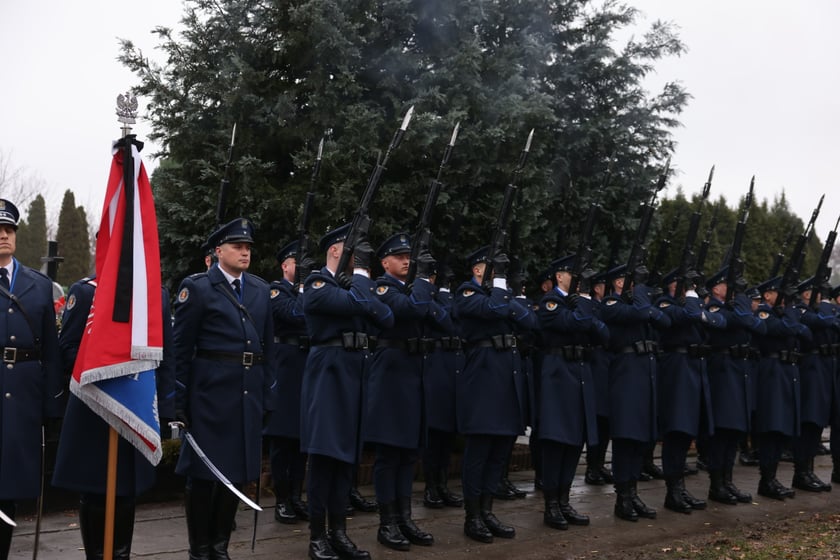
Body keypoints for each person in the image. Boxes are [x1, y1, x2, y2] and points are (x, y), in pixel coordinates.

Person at [173, 218, 276, 560]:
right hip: (210, 395)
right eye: (237, 246)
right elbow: (181, 349)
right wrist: (179, 401)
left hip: (247, 392)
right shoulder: (199, 287)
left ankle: (220, 548)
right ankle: (199, 550)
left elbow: (269, 348)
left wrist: (269, 394)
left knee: (235, 474)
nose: (245, 252)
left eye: (248, 247)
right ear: (218, 252)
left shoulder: (260, 290)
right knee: (204, 476)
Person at [52, 276, 175, 559]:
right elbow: (68, 349)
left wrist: (167, 409)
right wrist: (109, 369)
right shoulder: (86, 293)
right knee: (95, 490)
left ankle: (121, 554)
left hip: (136, 407)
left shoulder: (155, 296)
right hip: (94, 407)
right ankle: (96, 555)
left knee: (127, 490)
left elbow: (166, 357)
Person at [300, 224, 393, 560]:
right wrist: (363, 277)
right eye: (352, 250)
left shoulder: (351, 286)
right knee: (324, 457)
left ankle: (339, 532)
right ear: (335, 251)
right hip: (329, 373)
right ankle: (317, 537)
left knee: (347, 459)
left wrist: (359, 288)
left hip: (355, 373)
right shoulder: (316, 283)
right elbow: (361, 303)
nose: (359, 257)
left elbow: (386, 316)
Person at [366, 233, 450, 551]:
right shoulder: (381, 288)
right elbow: (414, 310)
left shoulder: (415, 291)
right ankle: (387, 522)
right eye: (399, 257)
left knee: (409, 454)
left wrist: (424, 289)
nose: (406, 261)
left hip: (415, 377)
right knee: (390, 455)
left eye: (408, 257)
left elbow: (445, 321)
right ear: (385, 262)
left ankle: (405, 517)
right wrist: (423, 284)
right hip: (392, 378)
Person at [455, 247, 537, 543]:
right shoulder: (467, 293)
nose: (499, 271)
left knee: (500, 451)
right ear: (477, 270)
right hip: (484, 377)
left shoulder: (500, 295)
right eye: (493, 267)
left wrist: (506, 300)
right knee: (479, 451)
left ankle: (488, 511)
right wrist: (502, 290)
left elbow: (530, 322)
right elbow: (497, 310)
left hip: (507, 377)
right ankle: (472, 516)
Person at [0, 199, 63, 560]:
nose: (4, 235)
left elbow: (52, 353)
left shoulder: (38, 286)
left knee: (10, 483)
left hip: (24, 394)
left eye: (9, 230)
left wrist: (51, 406)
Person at [536, 255, 608, 530]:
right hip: (558, 374)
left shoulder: (581, 303)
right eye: (572, 273)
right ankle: (551, 505)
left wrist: (585, 308)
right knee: (557, 442)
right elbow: (578, 324)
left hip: (580, 374)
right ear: (560, 276)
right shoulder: (550, 301)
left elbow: (603, 334)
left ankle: (564, 501)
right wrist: (585, 305)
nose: (577, 278)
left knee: (575, 441)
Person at [599, 264, 671, 522]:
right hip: (626, 377)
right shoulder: (610, 303)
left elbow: (665, 320)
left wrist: (643, 300)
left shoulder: (637, 305)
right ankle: (622, 497)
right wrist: (641, 291)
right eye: (631, 280)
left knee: (640, 438)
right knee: (625, 438)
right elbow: (643, 312)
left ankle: (633, 491)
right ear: (619, 283)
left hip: (645, 377)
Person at [655, 268, 726, 514]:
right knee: (676, 432)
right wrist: (693, 299)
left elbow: (720, 321)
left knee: (686, 434)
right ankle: (672, 491)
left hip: (695, 369)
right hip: (677, 370)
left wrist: (702, 314)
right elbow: (691, 314)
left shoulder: (690, 307)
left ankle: (680, 488)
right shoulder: (666, 303)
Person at [704, 268, 765, 506]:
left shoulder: (735, 308)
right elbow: (742, 319)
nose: (730, 289)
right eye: (726, 285)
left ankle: (727, 481)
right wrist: (740, 296)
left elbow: (755, 325)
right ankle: (716, 484)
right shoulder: (714, 308)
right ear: (716, 288)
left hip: (739, 373)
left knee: (734, 432)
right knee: (722, 432)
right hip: (723, 372)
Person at [264, 241, 311, 524]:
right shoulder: (276, 291)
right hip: (285, 371)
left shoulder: (303, 291)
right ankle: (282, 500)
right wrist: (304, 287)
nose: (303, 268)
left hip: (305, 369)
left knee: (301, 442)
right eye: (297, 263)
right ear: (285, 266)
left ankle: (296, 496)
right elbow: (298, 313)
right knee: (283, 442)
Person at [752, 276, 810, 500]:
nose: (785, 297)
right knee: (772, 427)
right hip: (772, 372)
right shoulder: (763, 313)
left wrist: (791, 313)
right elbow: (789, 327)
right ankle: (766, 480)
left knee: (781, 428)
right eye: (780, 293)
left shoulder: (782, 312)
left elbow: (805, 333)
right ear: (767, 295)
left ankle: (772, 478)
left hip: (787, 372)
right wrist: (793, 308)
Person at [421, 262, 464, 510]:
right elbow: (444, 320)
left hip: (451, 368)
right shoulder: (425, 298)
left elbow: (457, 321)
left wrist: (446, 294)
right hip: (434, 366)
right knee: (433, 433)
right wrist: (443, 296)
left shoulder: (448, 298)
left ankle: (442, 484)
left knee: (447, 433)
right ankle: (430, 486)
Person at [790, 277, 834, 492]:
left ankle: (808, 470)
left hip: (823, 370)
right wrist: (826, 301)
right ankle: (801, 472)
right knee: (809, 422)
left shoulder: (815, 311)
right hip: (810, 369)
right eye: (816, 292)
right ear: (806, 294)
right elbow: (824, 321)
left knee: (816, 425)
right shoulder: (800, 310)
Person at [584, 270, 614, 486]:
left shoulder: (606, 306)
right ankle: (592, 467)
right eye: (605, 286)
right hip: (596, 364)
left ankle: (599, 464)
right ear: (596, 288)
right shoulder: (593, 307)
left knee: (606, 421)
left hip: (608, 364)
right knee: (597, 419)